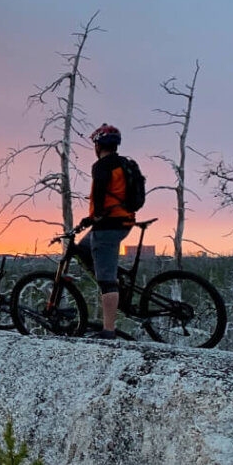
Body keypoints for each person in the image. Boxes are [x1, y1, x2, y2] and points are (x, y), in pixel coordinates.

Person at [73, 123, 136, 339]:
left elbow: (99, 196)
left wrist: (93, 217)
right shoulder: (124, 164)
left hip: (107, 226)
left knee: (106, 281)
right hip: (123, 222)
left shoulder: (101, 166)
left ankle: (109, 331)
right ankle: (113, 276)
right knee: (82, 249)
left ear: (98, 145)